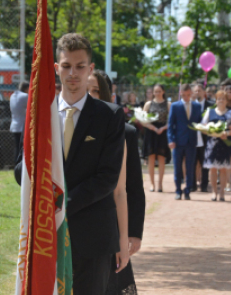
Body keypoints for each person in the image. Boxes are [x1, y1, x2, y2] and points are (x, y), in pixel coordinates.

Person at [54, 33, 125, 295]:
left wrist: (61, 205)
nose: (73, 73)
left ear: (90, 69)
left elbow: (107, 177)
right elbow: (20, 168)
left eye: (80, 66)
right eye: (66, 65)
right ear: (56, 68)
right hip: (46, 232)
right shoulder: (41, 113)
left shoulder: (110, 116)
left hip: (93, 235)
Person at [88, 70, 145, 295]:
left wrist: (134, 232)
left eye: (95, 90)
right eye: (87, 89)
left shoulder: (127, 133)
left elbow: (133, 188)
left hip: (113, 223)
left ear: (106, 94)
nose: (91, 95)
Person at [202, 90, 231, 201]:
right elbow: (203, 126)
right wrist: (212, 132)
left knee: (223, 169)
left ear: (226, 100)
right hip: (212, 144)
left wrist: (227, 133)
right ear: (216, 100)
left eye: (223, 99)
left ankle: (222, 193)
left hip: (224, 144)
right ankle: (214, 192)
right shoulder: (210, 112)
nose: (221, 101)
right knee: (213, 169)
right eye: (219, 98)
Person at [167, 83, 202, 200]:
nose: (187, 97)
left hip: (191, 141)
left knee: (190, 167)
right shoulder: (175, 106)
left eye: (189, 94)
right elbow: (170, 124)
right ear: (181, 93)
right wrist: (171, 139)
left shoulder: (197, 106)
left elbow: (200, 122)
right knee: (177, 167)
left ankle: (187, 190)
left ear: (191, 93)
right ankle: (178, 191)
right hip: (177, 141)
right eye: (185, 95)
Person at [143, 84, 171, 192]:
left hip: (163, 132)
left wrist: (163, 128)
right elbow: (143, 120)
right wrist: (153, 128)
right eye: (155, 91)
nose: (157, 93)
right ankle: (152, 184)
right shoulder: (148, 104)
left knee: (161, 158)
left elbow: (172, 120)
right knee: (150, 158)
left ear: (163, 92)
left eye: (159, 91)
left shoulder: (168, 104)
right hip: (151, 132)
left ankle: (160, 184)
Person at [193, 83, 214, 192]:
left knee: (205, 163)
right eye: (195, 91)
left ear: (204, 92)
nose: (197, 93)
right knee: (192, 163)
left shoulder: (211, 105)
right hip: (193, 138)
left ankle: (204, 186)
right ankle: (192, 185)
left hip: (205, 138)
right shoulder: (191, 104)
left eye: (199, 91)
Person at [9, 82, 29, 162]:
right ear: (26, 88)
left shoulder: (13, 95)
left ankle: (16, 166)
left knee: (17, 147)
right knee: (22, 149)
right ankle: (20, 167)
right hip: (23, 126)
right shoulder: (25, 96)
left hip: (14, 125)